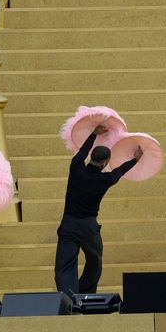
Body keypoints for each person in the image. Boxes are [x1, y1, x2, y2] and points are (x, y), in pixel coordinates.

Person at [54, 125, 142, 296]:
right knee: (94, 262)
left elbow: (82, 152)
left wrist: (93, 134)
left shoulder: (76, 168)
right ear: (105, 163)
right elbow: (120, 171)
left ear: (91, 158)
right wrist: (135, 160)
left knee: (64, 265)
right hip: (88, 227)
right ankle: (85, 293)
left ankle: (68, 297)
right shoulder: (105, 179)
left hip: (68, 224)